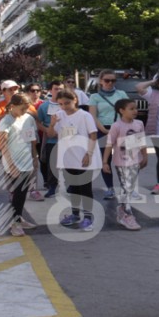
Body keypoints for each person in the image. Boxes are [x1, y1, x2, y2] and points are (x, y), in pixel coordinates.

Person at [52, 90, 101, 232]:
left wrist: (89, 154)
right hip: (67, 157)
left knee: (85, 188)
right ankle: (74, 214)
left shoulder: (85, 116)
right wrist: (52, 124)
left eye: (67, 103)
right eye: (61, 104)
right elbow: (51, 133)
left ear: (75, 100)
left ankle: (88, 218)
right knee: (73, 187)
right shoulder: (59, 115)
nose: (64, 106)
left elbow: (93, 135)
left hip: (82, 157)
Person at [0, 94, 40, 237]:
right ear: (13, 106)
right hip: (14, 162)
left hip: (27, 160)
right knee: (17, 193)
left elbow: (32, 139)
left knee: (22, 193)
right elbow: (3, 145)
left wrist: (35, 157)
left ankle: (19, 218)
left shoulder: (28, 118)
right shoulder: (6, 121)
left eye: (27, 108)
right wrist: (11, 165)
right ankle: (14, 223)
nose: (25, 111)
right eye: (22, 108)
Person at [104, 99, 147, 231]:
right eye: (131, 109)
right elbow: (109, 144)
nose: (135, 111)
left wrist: (145, 155)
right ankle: (128, 215)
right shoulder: (117, 126)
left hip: (135, 160)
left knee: (129, 187)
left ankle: (121, 209)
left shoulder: (139, 123)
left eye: (136, 108)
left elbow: (141, 141)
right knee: (126, 187)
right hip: (121, 161)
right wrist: (105, 161)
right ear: (121, 111)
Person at [87, 70, 129, 201]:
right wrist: (104, 130)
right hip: (102, 130)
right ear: (101, 81)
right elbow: (93, 116)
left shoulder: (121, 94)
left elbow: (128, 111)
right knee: (104, 161)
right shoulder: (94, 97)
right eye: (107, 80)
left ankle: (126, 188)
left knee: (124, 159)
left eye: (113, 80)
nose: (110, 83)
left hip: (120, 129)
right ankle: (110, 188)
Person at [37, 80, 65, 198]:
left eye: (61, 89)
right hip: (51, 141)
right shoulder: (44, 106)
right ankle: (52, 187)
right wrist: (47, 130)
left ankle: (70, 186)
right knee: (52, 165)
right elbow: (38, 122)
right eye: (56, 89)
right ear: (50, 90)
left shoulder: (68, 105)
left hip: (67, 140)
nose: (58, 91)